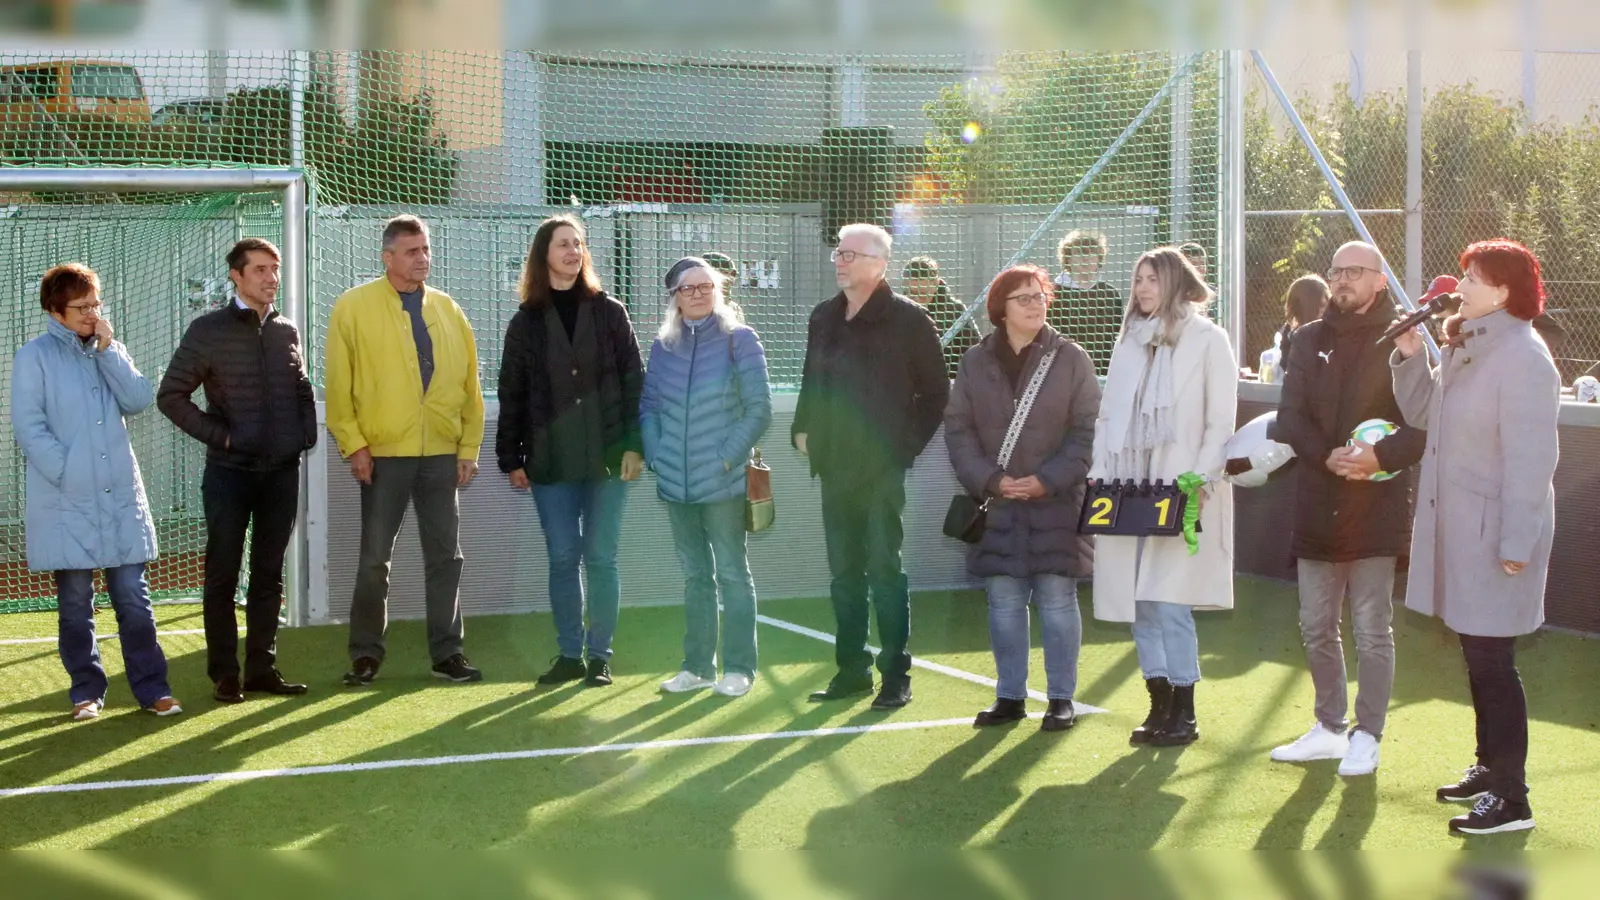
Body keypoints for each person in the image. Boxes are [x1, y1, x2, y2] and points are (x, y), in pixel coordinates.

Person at [1391, 239, 1560, 836]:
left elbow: (1531, 462)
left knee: (1493, 663)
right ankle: (1490, 770)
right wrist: (1413, 353)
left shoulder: (1524, 358)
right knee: (1479, 656)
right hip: (1464, 530)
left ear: (1505, 291)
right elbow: (1424, 416)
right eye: (1462, 273)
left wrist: (1516, 543)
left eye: (1473, 276)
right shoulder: (1469, 347)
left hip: (1495, 537)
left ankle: (1513, 801)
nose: (1459, 285)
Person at [1268, 242, 1427, 776]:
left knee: (1371, 628)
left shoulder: (1403, 341)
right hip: (1318, 501)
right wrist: (1327, 456)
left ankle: (1369, 734)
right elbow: (1288, 419)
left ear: (1379, 281)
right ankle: (1329, 728)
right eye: (1336, 271)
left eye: (1354, 272)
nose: (1342, 280)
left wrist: (1375, 457)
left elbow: (1422, 426)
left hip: (1375, 510)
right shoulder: (1308, 338)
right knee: (1316, 624)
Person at [11, 264, 180, 720]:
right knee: (75, 605)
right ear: (55, 311)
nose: (91, 314)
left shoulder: (110, 349)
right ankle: (86, 691)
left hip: (120, 497)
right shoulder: (34, 357)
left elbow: (139, 399)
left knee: (133, 597)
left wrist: (109, 352)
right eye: (81, 307)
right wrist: (68, 472)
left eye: (96, 304)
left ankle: (152, 688)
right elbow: (29, 427)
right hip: (67, 502)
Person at [325, 215, 486, 686]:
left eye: (426, 249)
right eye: (412, 251)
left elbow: (470, 385)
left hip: (440, 453)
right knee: (375, 558)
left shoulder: (449, 309)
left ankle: (448, 653)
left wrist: (468, 447)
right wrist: (354, 444)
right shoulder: (352, 308)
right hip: (383, 455)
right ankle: (366, 655)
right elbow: (339, 386)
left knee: (446, 556)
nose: (423, 259)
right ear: (388, 256)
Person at [793, 222, 948, 710]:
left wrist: (902, 449)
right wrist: (802, 426)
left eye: (850, 255)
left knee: (885, 570)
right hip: (834, 467)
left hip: (882, 469)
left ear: (880, 264)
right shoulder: (823, 317)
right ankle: (851, 671)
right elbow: (811, 382)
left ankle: (895, 675)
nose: (839, 261)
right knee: (844, 575)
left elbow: (936, 393)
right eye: (838, 253)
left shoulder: (911, 320)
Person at [158, 238, 317, 704]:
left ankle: (262, 669)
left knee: (269, 575)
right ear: (237, 276)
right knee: (223, 574)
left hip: (281, 473)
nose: (272, 278)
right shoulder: (208, 330)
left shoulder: (287, 331)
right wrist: (224, 437)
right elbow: (171, 397)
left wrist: (303, 433)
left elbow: (301, 386)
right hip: (229, 474)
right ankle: (225, 674)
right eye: (261, 270)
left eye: (275, 269)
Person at [1089, 246, 1236, 747]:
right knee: (1140, 602)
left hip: (1182, 487)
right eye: (1139, 280)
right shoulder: (1130, 340)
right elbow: (1108, 416)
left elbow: (1221, 422)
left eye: (1153, 279)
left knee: (1169, 602)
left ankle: (1184, 712)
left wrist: (1198, 476)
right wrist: (1099, 469)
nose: (1143, 289)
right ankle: (1158, 707)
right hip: (1128, 486)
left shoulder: (1210, 340)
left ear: (1176, 283)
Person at [945, 265, 1100, 732]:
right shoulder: (974, 361)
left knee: (1057, 599)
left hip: (1056, 502)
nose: (1035, 304)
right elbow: (958, 430)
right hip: (999, 504)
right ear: (1001, 309)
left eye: (1039, 296)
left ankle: (1060, 699)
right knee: (1004, 602)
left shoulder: (1071, 358)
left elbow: (1087, 431)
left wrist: (1046, 480)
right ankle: (1009, 696)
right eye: (1023, 298)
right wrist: (990, 480)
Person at [497, 214, 644, 688]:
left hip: (607, 459)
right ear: (544, 256)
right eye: (563, 244)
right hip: (550, 462)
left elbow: (634, 384)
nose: (573, 251)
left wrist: (634, 447)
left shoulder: (610, 312)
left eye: (579, 244)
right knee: (563, 557)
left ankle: (600, 655)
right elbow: (512, 392)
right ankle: (568, 655)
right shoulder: (525, 323)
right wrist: (512, 458)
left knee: (601, 557)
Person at [641, 257, 772, 698]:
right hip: (675, 487)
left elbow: (759, 410)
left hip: (723, 484)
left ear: (719, 291)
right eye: (688, 288)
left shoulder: (741, 340)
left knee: (733, 576)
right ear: (675, 299)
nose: (698, 294)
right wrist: (657, 455)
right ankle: (697, 667)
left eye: (706, 286)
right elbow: (651, 408)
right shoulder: (663, 346)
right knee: (696, 577)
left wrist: (725, 459)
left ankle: (739, 669)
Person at [1048, 230, 1123, 374]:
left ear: (1099, 259)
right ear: (1068, 259)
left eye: (1091, 253)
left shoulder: (1110, 294)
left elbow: (1117, 336)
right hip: (1062, 372)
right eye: (1079, 252)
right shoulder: (1052, 293)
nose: (1085, 258)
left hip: (1101, 372)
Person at [901, 256, 978, 380]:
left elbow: (975, 351)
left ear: (936, 284)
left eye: (922, 293)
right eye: (912, 292)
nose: (916, 298)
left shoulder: (955, 310)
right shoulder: (899, 310)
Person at [1277, 274, 1330, 373]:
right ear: (1309, 306)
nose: (1327, 309)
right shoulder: (1289, 334)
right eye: (1322, 305)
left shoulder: (1331, 331)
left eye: (1328, 303)